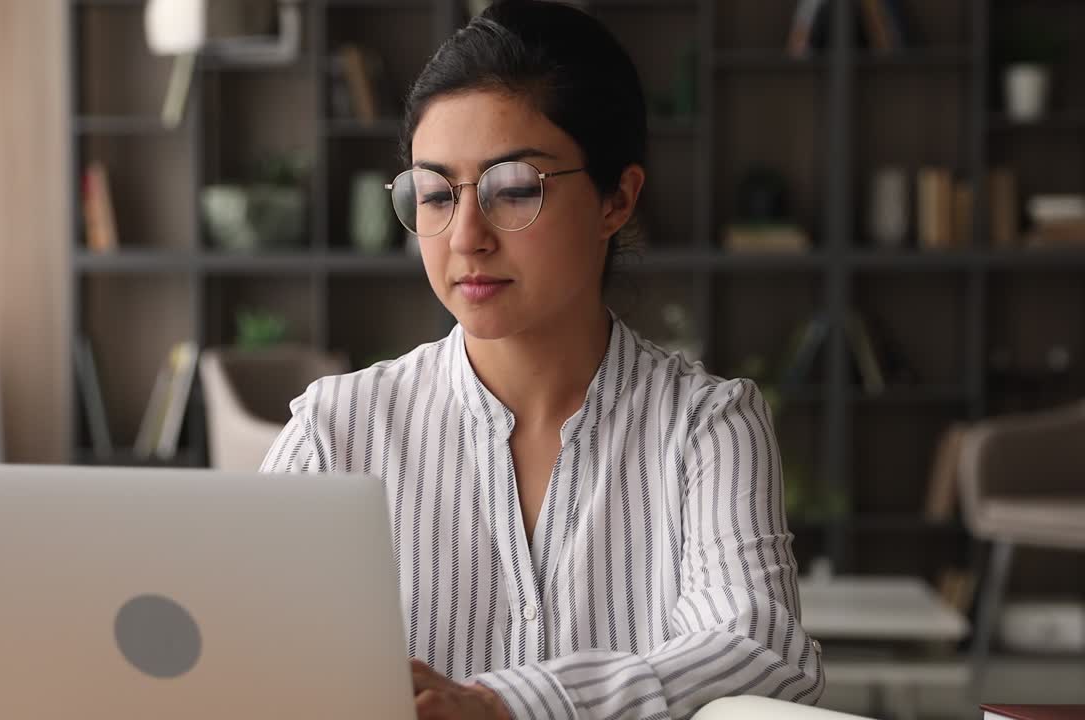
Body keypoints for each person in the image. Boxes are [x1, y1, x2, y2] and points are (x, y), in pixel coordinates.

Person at [261, 1, 825, 718]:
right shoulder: (335, 433)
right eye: (435, 194)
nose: (465, 236)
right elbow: (240, 660)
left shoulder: (707, 425)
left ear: (617, 198)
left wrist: (504, 705)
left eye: (515, 190)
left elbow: (760, 652)